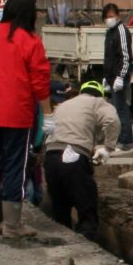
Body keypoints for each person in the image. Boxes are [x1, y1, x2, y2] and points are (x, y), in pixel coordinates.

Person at [0, 0, 52, 242]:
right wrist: (47, 114)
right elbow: (40, 80)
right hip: (17, 114)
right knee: (15, 166)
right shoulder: (30, 40)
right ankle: (12, 225)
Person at [43, 79, 121, 237]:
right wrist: (107, 148)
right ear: (100, 94)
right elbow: (113, 121)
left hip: (51, 157)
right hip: (73, 158)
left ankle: (64, 244)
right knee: (86, 207)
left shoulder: (65, 104)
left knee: (60, 209)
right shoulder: (98, 102)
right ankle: (87, 244)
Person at [101, 3, 133, 152]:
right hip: (112, 77)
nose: (109, 19)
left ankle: (126, 141)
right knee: (116, 109)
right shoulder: (110, 32)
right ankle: (120, 139)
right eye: (107, 17)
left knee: (121, 109)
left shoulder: (121, 31)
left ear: (118, 16)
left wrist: (120, 77)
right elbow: (109, 57)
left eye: (111, 16)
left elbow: (125, 56)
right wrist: (106, 77)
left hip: (119, 78)